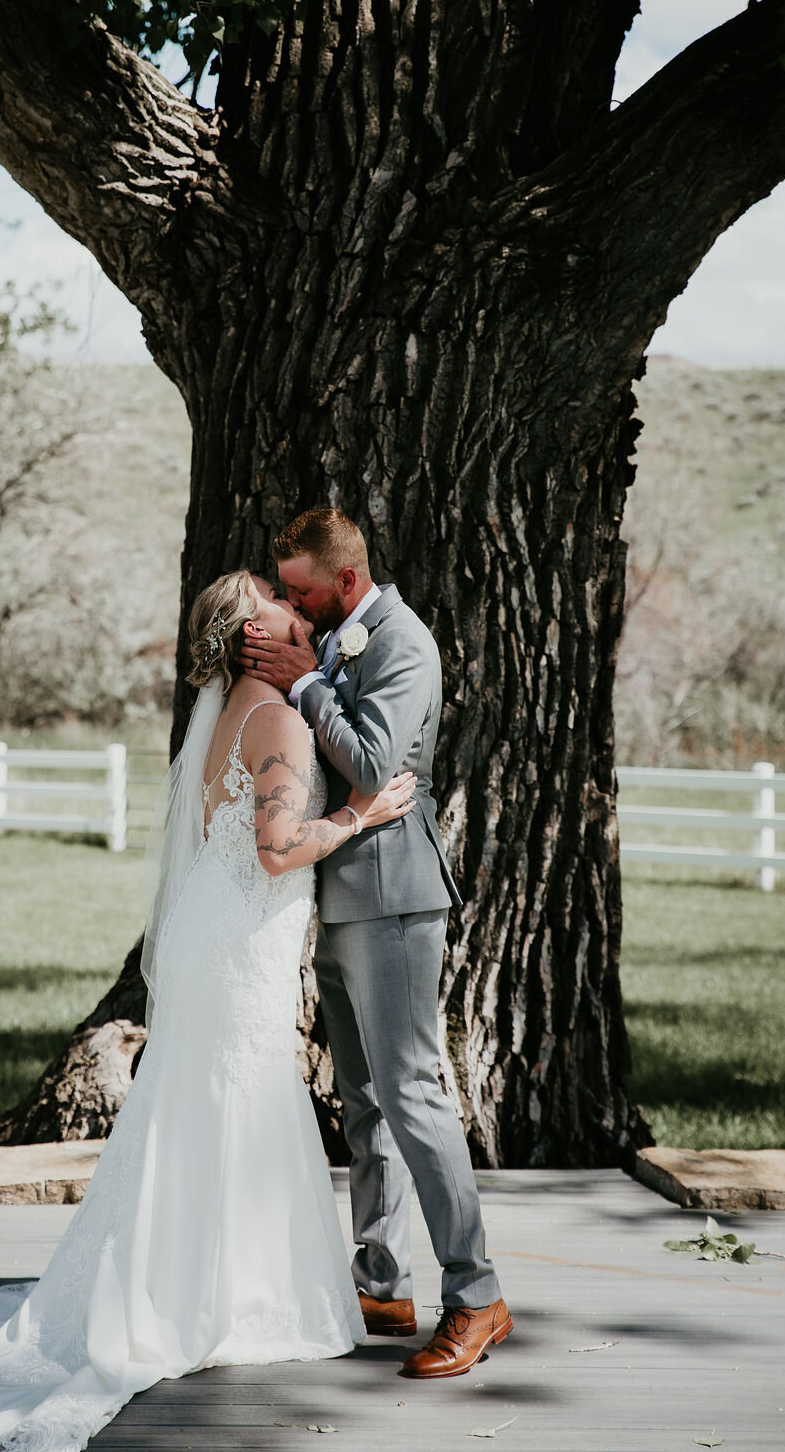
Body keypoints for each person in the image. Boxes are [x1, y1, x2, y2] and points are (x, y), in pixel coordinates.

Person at [0, 570, 417, 1452]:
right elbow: (276, 851)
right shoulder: (276, 718)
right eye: (270, 596)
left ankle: (192, 1278)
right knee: (235, 1101)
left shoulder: (236, 710)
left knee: (204, 1105)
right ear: (250, 634)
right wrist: (362, 811)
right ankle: (222, 1297)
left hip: (214, 934)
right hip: (239, 941)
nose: (288, 601)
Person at [238, 508, 512, 1380]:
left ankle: (477, 1297)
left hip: (395, 896)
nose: (291, 603)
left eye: (301, 591)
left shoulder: (403, 643)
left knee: (411, 1091)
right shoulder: (338, 637)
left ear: (347, 584)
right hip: (339, 894)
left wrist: (310, 680)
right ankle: (382, 1282)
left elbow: (370, 762)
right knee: (361, 1099)